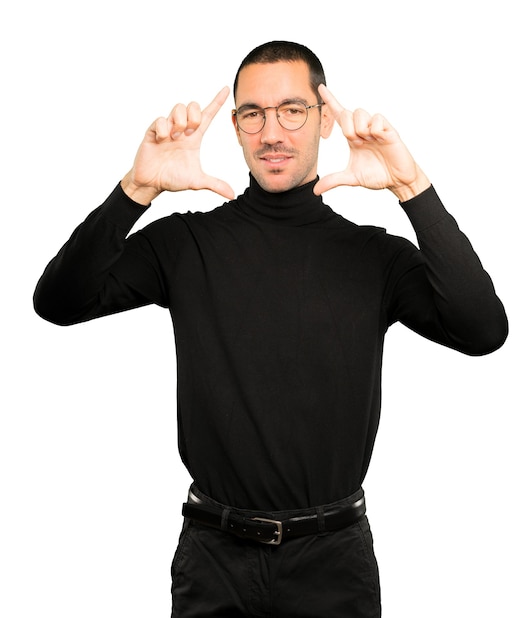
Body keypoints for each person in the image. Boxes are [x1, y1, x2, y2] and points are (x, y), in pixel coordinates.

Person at [34, 41, 508, 617]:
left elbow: (483, 329)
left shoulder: (374, 257)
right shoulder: (185, 244)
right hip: (214, 559)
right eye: (253, 114)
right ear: (236, 128)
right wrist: (138, 189)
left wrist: (411, 188)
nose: (272, 132)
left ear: (324, 120)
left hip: (333, 560)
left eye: (292, 110)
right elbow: (58, 301)